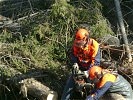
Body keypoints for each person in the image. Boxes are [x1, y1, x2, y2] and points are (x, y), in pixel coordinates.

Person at [61, 28, 101, 100]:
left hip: (90, 69)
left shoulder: (95, 46)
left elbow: (96, 63)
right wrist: (75, 63)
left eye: (80, 43)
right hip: (79, 67)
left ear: (86, 40)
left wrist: (88, 72)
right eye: (77, 43)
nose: (78, 45)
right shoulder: (76, 44)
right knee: (69, 85)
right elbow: (73, 55)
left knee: (91, 88)